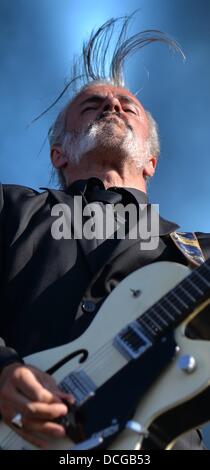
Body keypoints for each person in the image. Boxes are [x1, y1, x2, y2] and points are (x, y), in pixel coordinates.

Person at [0, 15, 209, 451]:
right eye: (91, 105)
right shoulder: (11, 208)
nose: (112, 106)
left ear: (151, 162)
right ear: (59, 153)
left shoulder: (197, 255)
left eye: (126, 106)